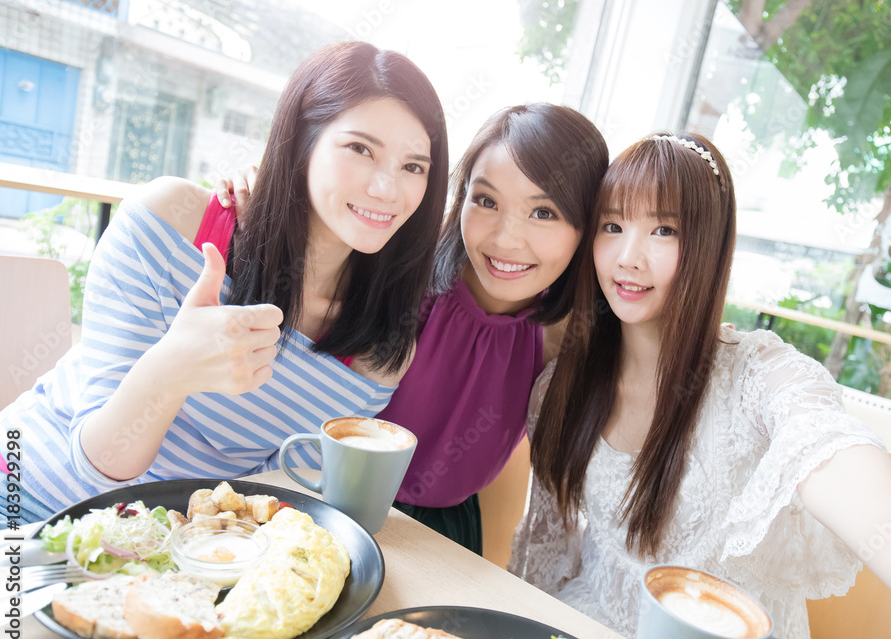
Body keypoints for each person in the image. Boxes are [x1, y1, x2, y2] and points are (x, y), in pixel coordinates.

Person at [509, 132, 891, 639]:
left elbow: (829, 448)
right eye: (613, 225)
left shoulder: (757, 376)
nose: (629, 257)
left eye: (664, 230)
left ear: (711, 248)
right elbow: (543, 558)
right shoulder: (563, 387)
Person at [0, 41, 450, 529]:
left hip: (165, 560)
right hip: (21, 500)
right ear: (301, 141)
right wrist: (173, 369)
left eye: (413, 166)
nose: (387, 189)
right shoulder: (172, 226)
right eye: (360, 148)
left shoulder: (378, 353)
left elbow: (259, 497)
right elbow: (98, 464)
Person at [218, 104, 609, 553]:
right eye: (485, 200)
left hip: (448, 535)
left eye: (544, 213)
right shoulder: (395, 282)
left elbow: (509, 461)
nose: (506, 239)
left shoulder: (562, 337)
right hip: (323, 508)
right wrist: (261, 186)